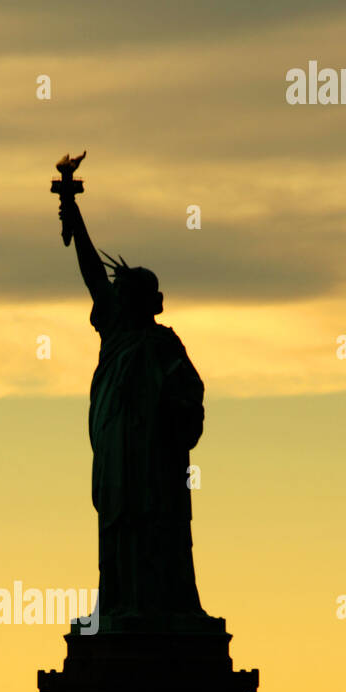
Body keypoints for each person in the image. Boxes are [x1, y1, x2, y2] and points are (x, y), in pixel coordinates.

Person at [60, 197, 206, 630]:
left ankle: (161, 604)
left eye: (127, 294)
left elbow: (191, 394)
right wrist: (72, 209)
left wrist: (174, 413)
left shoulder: (163, 346)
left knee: (156, 525)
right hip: (117, 451)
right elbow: (91, 273)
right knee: (118, 524)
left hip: (155, 460)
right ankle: (119, 601)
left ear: (151, 302)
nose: (118, 299)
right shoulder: (117, 333)